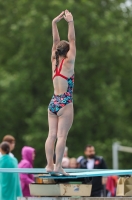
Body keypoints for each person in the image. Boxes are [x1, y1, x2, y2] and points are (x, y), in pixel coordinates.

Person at [45, 9, 76, 176]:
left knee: (52, 135)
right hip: (65, 103)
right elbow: (71, 38)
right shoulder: (69, 62)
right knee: (62, 136)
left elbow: (56, 40)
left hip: (53, 102)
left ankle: (49, 165)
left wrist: (54, 22)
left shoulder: (54, 60)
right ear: (68, 51)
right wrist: (70, 22)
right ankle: (57, 167)